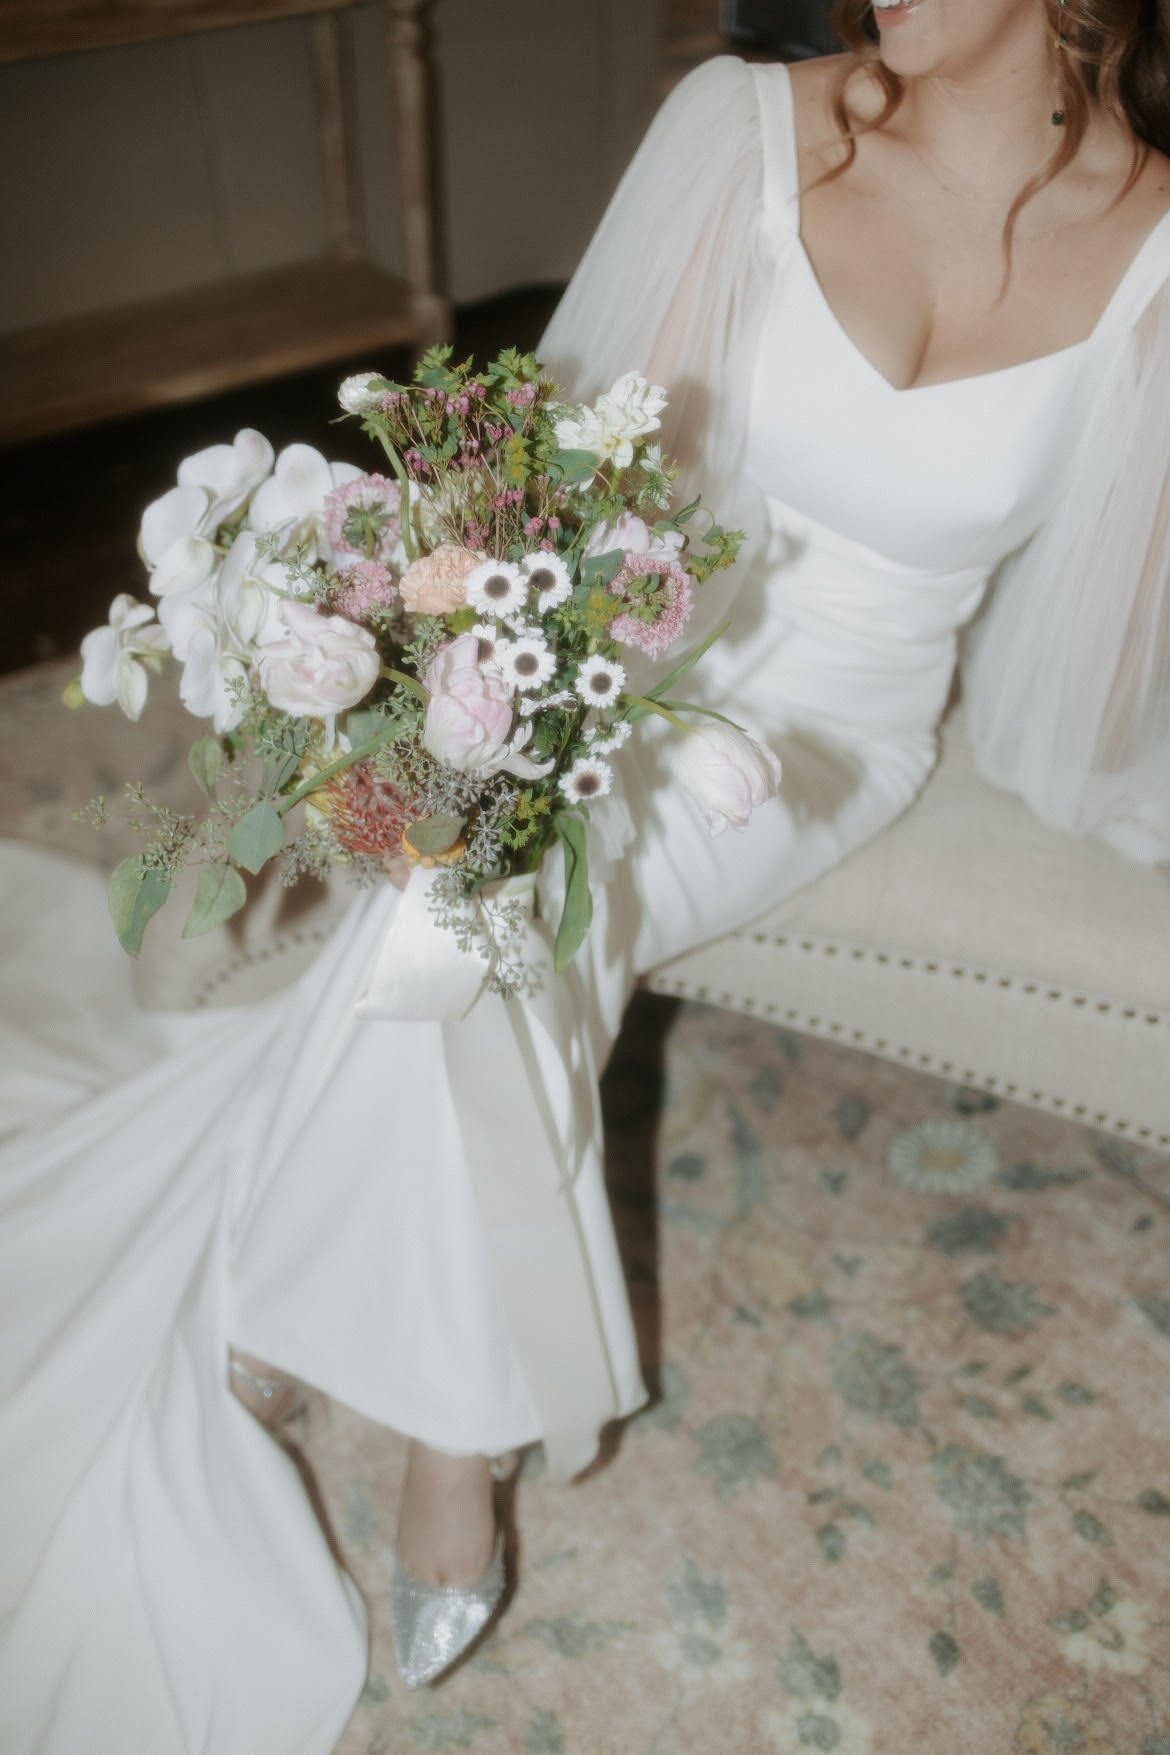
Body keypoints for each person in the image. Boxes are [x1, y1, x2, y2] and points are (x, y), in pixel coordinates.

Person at [2, 0, 1169, 1745]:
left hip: (820, 740)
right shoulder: (745, 127)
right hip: (617, 646)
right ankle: (456, 1432)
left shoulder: (1153, 253)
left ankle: (350, 1324)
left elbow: (1108, 610)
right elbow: (566, 470)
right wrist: (478, 674)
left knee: (514, 914)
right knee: (464, 888)